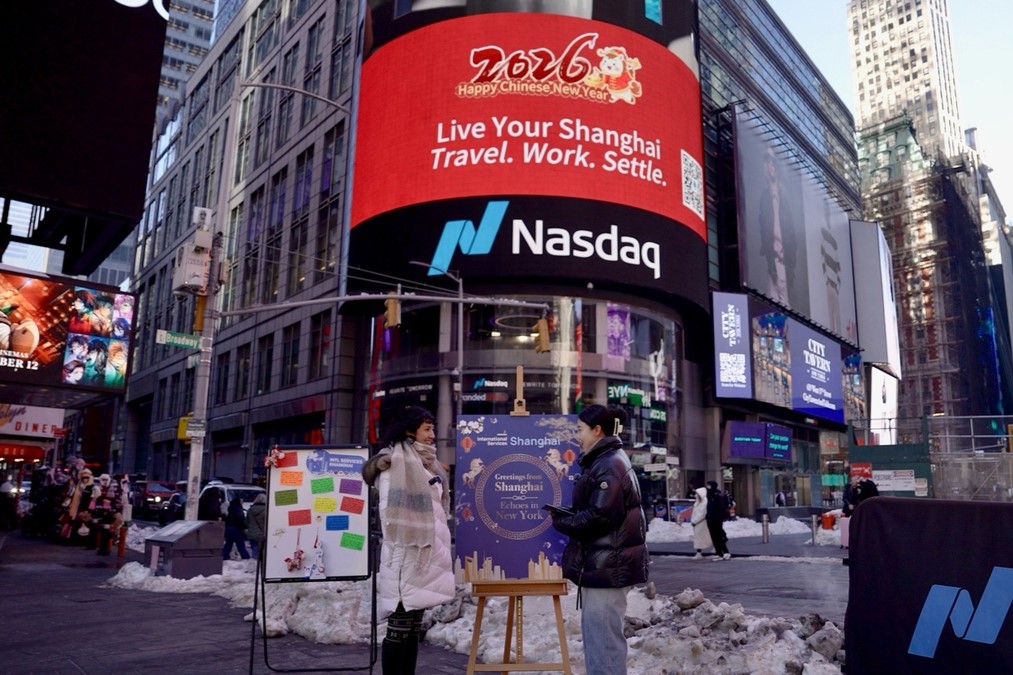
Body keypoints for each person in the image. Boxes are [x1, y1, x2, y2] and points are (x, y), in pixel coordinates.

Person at [549, 405, 648, 675]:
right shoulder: (605, 460)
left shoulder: (608, 464)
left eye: (580, 429)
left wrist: (560, 521)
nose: (576, 435)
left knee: (603, 644)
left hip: (607, 567)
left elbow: (599, 516)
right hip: (604, 565)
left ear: (597, 430)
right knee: (599, 640)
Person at [361, 406, 454, 675]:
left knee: (413, 626)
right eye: (427, 429)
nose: (432, 434)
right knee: (400, 628)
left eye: (432, 428)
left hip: (422, 558)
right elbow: (393, 517)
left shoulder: (425, 463)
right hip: (406, 557)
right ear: (409, 430)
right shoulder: (395, 465)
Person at [705, 481, 731, 560]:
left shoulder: (717, 495)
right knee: (714, 536)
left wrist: (719, 516)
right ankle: (718, 552)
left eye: (709, 485)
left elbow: (721, 508)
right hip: (710, 518)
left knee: (718, 536)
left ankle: (726, 552)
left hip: (716, 519)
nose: (707, 487)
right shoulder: (709, 495)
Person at [222, 496, 251, 560]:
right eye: (241, 501)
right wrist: (245, 526)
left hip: (228, 528)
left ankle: (224, 556)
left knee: (228, 544)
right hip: (236, 529)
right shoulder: (238, 509)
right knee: (240, 545)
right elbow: (240, 520)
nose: (242, 503)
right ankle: (246, 557)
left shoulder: (231, 509)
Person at [690, 486, 713, 559]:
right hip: (698, 523)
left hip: (701, 523)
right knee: (701, 538)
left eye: (697, 494)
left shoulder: (704, 502)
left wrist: (694, 521)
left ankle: (699, 553)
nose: (695, 495)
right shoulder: (698, 502)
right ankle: (699, 552)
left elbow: (702, 514)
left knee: (700, 538)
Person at [247, 493, 267, 559]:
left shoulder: (250, 510)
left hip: (251, 534)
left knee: (254, 550)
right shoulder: (266, 510)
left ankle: (254, 563)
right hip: (261, 534)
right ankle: (257, 565)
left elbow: (246, 522)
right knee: (259, 552)